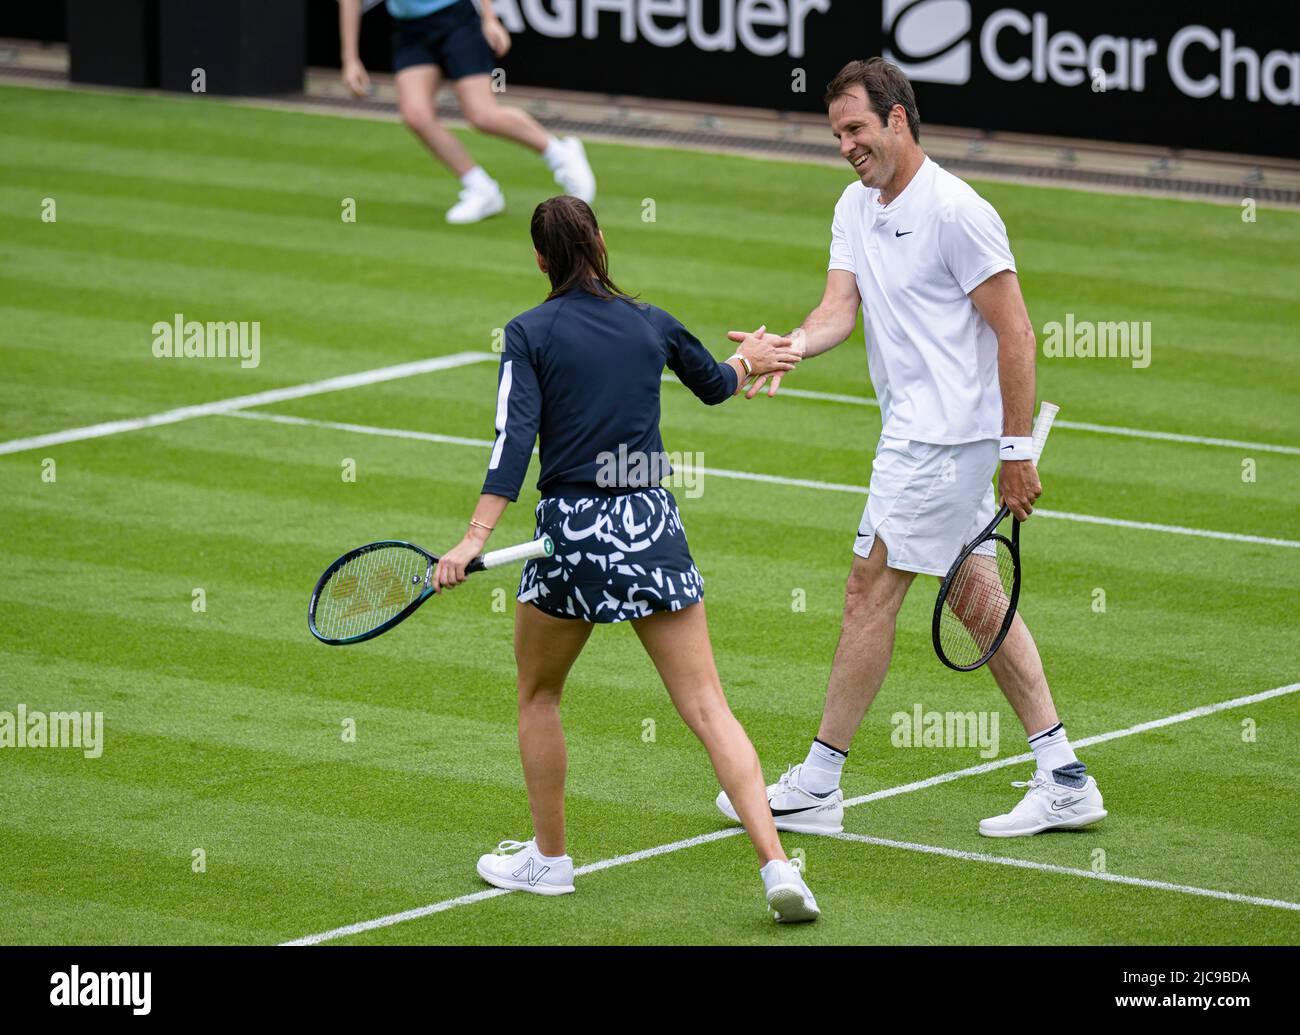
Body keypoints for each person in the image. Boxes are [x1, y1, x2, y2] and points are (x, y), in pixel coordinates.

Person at [717, 58, 1107, 839]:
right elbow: (838, 310)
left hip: (943, 437)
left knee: (869, 589)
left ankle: (821, 779)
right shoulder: (854, 206)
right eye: (836, 133)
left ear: (898, 120)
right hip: (920, 434)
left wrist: (1016, 449)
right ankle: (1064, 772)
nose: (845, 145)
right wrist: (786, 347)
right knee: (974, 597)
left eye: (856, 129)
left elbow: (1017, 331)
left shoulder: (959, 212)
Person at [432, 196, 819, 921]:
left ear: (540, 259)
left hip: (571, 536)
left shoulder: (527, 334)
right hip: (650, 523)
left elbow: (510, 444)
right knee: (709, 706)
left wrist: (473, 540)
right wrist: (750, 358)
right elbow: (715, 383)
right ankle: (777, 866)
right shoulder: (652, 323)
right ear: (601, 244)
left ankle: (549, 862)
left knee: (539, 694)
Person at [339, 0, 596, 223]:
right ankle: (481, 189)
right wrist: (350, 59)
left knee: (481, 115)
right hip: (409, 30)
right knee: (415, 115)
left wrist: (489, 18)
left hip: (456, 20)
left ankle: (559, 154)